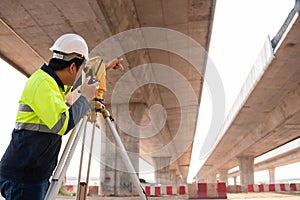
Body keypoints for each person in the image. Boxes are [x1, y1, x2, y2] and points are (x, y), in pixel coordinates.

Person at [0, 33, 123, 200]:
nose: (81, 75)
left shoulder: (55, 84)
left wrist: (104, 68)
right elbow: (62, 124)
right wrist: (86, 97)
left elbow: (75, 90)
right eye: (81, 70)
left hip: (34, 173)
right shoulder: (43, 83)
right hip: (23, 176)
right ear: (72, 67)